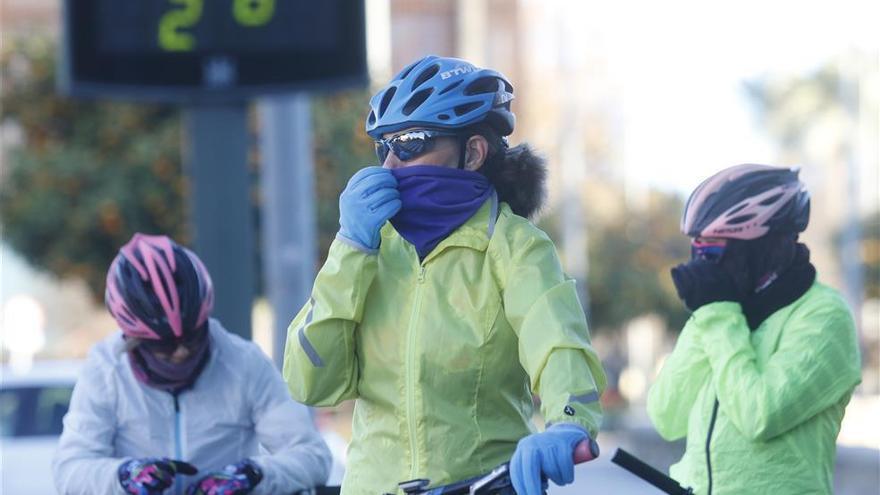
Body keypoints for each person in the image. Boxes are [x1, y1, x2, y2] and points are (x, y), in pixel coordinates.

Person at [282, 55, 606, 495]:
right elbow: (311, 383)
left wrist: (567, 424)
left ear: (472, 152)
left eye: (411, 143)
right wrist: (350, 249)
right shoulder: (372, 244)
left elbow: (559, 345)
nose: (390, 166)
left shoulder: (515, 246)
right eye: (384, 147)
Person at [53, 233, 332, 495]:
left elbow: (312, 456)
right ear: (133, 338)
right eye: (163, 345)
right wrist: (123, 476)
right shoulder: (105, 370)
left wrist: (253, 475)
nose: (181, 352)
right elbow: (70, 469)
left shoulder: (245, 363)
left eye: (192, 336)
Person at [647, 164, 862, 494]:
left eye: (715, 251)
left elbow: (759, 416)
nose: (704, 264)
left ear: (765, 247)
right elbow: (666, 416)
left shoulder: (824, 316)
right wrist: (704, 312)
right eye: (699, 252)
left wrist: (717, 313)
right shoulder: (728, 310)